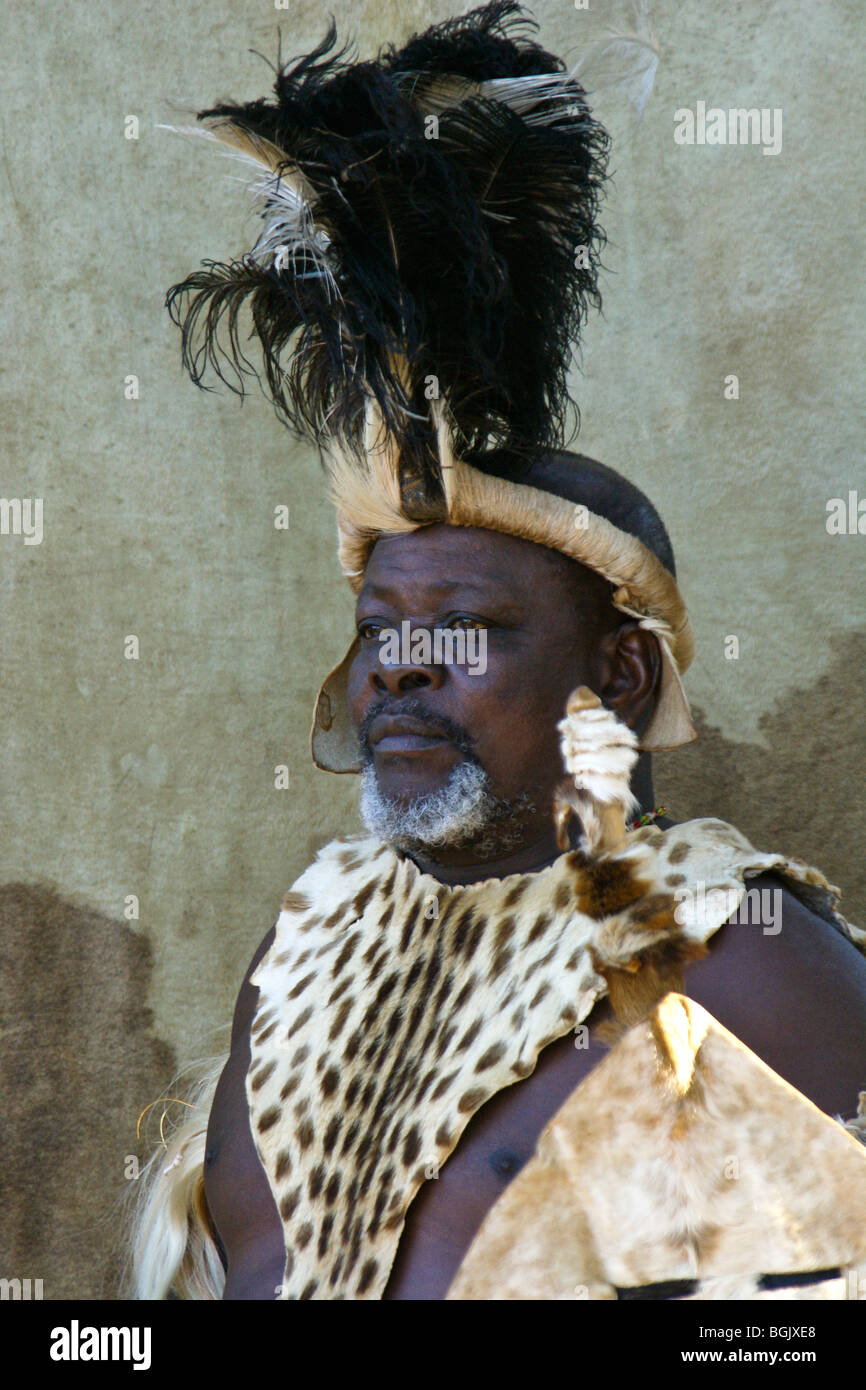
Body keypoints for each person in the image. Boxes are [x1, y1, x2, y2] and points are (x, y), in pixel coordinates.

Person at [131, 1, 866, 1301]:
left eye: (462, 627)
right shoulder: (305, 953)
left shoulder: (736, 959)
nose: (399, 666)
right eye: (378, 630)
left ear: (619, 680)